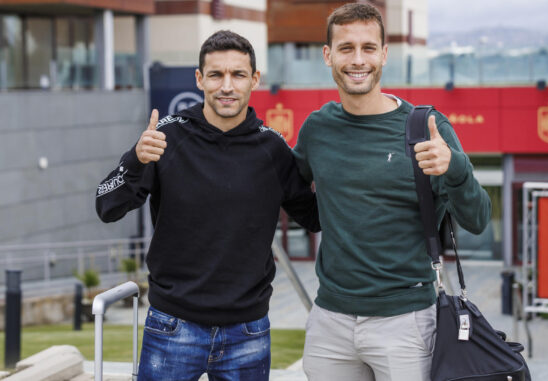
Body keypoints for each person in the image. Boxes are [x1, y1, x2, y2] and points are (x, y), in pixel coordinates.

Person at [95, 30, 319, 381]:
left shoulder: (273, 150)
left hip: (248, 331)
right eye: (216, 74)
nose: (226, 86)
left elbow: (315, 216)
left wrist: (337, 176)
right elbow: (106, 204)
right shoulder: (165, 138)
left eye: (238, 74)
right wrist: (136, 161)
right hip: (172, 326)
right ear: (200, 79)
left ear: (255, 80)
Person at [293, 4, 491, 381]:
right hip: (330, 323)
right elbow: (287, 188)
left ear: (384, 54)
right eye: (346, 48)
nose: (357, 59)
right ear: (328, 55)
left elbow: (478, 219)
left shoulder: (425, 128)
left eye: (368, 48)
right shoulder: (317, 129)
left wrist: (455, 167)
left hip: (406, 323)